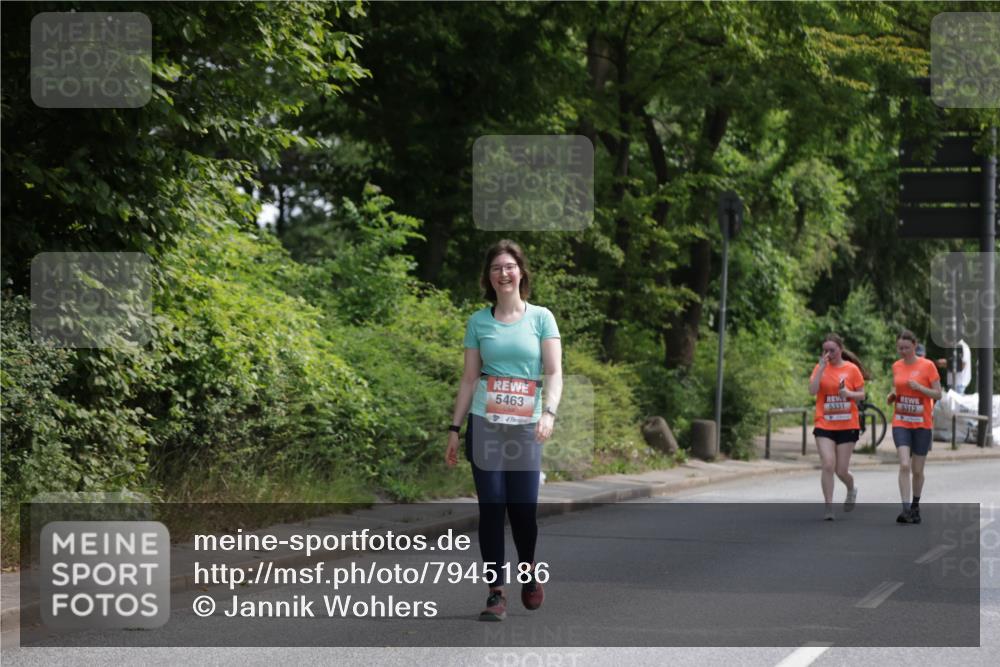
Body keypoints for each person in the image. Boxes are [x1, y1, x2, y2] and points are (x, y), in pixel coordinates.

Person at [445, 239, 562, 621]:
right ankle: (496, 592)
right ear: (488, 277)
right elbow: (468, 378)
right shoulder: (479, 322)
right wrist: (454, 428)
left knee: (523, 511)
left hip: (527, 426)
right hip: (486, 423)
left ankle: (528, 573)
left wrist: (549, 413)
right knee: (492, 508)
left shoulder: (541, 318)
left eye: (509, 266)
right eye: (496, 268)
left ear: (521, 272)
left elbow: (554, 373)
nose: (503, 273)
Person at [808, 333, 868, 521]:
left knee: (841, 470)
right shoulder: (820, 367)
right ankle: (828, 507)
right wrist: (821, 370)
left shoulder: (852, 369)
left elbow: (862, 395)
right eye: (825, 350)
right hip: (824, 422)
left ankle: (851, 487)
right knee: (827, 464)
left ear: (840, 350)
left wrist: (848, 393)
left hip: (847, 424)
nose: (828, 354)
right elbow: (812, 391)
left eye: (832, 350)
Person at [887, 330, 942, 525]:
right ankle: (905, 508)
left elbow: (938, 395)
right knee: (904, 464)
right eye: (900, 348)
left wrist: (920, 389)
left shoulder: (927, 366)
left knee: (917, 470)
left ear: (914, 345)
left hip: (922, 424)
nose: (902, 351)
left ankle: (915, 506)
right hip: (901, 421)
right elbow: (899, 387)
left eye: (906, 348)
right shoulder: (896, 366)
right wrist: (893, 395)